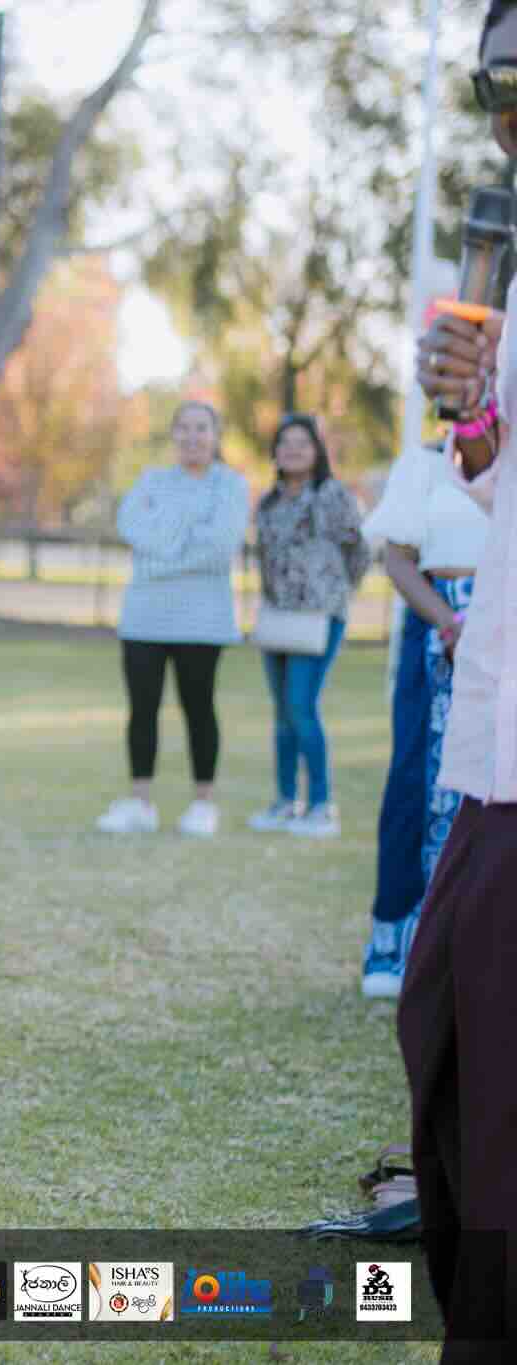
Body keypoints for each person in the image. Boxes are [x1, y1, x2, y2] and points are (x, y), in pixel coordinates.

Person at [400, 7, 517, 1348]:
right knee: (437, 1035)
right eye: (496, 83)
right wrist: (476, 414)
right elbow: (496, 483)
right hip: (495, 735)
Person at [358, 440, 485, 997]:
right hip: (437, 621)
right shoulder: (425, 462)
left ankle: (479, 948)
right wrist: (451, 623)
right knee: (417, 778)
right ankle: (396, 944)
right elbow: (397, 560)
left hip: (504, 625)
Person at [95, 401, 249, 836]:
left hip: (203, 621)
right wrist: (189, 534)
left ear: (215, 435)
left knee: (199, 709)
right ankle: (139, 802)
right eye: (183, 428)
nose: (192, 437)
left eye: (201, 428)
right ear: (173, 434)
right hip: (144, 617)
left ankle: (203, 805)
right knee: (142, 709)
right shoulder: (151, 480)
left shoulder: (231, 486)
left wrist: (161, 548)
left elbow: (221, 546)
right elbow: (131, 527)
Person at [247, 415, 370, 839]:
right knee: (282, 712)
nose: (294, 450)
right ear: (275, 452)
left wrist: (334, 590)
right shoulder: (268, 502)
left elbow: (358, 551)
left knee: (301, 705)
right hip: (277, 616)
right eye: (286, 442)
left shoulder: (332, 496)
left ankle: (321, 806)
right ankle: (285, 802)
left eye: (303, 442)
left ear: (317, 450)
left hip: (319, 616)